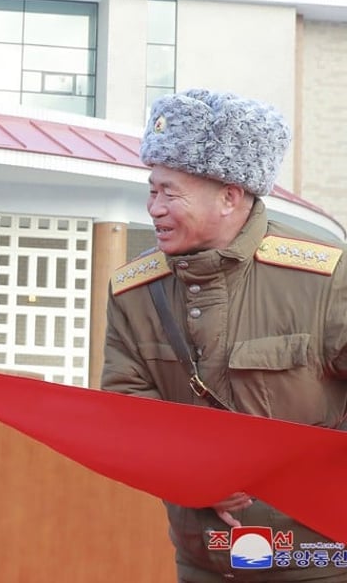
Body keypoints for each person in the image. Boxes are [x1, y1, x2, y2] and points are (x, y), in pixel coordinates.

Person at [102, 89, 347, 582]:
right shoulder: (135, 291)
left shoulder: (325, 278)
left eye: (170, 192)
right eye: (152, 190)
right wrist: (193, 479)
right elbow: (128, 416)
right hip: (202, 558)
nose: (154, 208)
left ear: (230, 196)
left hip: (313, 558)